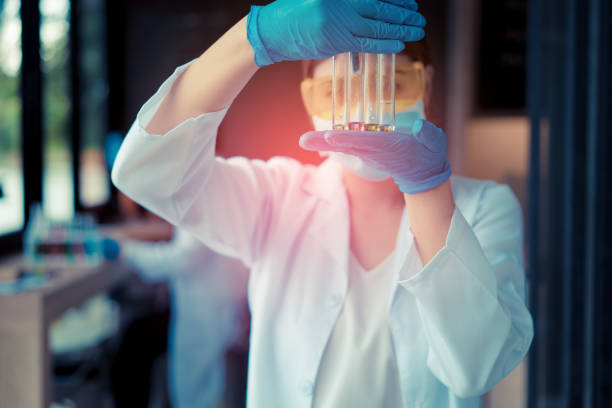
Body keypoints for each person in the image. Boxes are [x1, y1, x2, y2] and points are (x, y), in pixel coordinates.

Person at [111, 1, 534, 407]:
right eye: (338, 91)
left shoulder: (484, 209)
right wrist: (254, 37)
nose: (367, 108)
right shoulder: (276, 197)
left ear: (428, 86)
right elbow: (147, 175)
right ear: (307, 100)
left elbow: (477, 368)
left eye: (392, 86)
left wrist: (427, 189)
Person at [111, 228, 248, 408]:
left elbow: (184, 258)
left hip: (208, 313)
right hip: (220, 304)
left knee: (201, 390)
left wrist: (126, 251)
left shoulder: (204, 202)